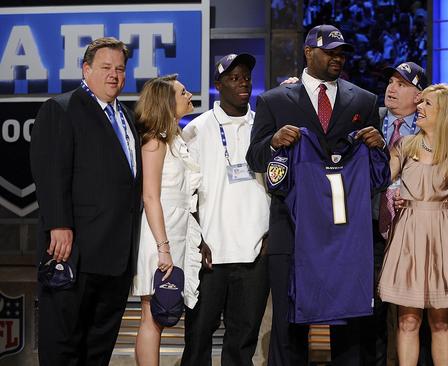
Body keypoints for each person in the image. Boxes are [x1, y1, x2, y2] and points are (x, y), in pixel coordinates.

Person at [246, 24, 385, 366]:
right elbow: (254, 157)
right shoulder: (274, 100)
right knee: (289, 324)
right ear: (309, 52)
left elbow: (376, 171)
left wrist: (379, 145)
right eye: (331, 52)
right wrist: (274, 142)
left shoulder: (364, 101)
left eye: (342, 53)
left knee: (350, 323)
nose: (338, 58)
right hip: (291, 229)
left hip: (344, 231)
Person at [30, 37, 142, 365]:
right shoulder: (62, 109)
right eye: (106, 67)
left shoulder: (127, 117)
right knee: (63, 345)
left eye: (120, 69)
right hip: (74, 252)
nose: (114, 75)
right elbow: (51, 173)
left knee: (98, 349)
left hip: (115, 259)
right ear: (86, 69)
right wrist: (58, 224)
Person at [181, 53, 270, 366]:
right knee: (198, 338)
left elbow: (278, 185)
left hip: (254, 252)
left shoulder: (264, 126)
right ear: (218, 85)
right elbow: (184, 192)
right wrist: (195, 238)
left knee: (242, 342)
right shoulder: (196, 129)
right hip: (210, 254)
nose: (243, 82)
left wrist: (270, 235)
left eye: (246, 76)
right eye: (234, 77)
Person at [378, 84, 448, 366]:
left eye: (427, 104)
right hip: (408, 234)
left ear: (445, 113)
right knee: (408, 320)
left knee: (441, 322)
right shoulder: (406, 145)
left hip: (441, 235)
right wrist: (392, 192)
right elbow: (381, 178)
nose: (419, 108)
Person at [131, 74, 201, 365]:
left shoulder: (175, 140)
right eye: (183, 92)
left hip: (176, 237)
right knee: (153, 315)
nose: (189, 95)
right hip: (159, 240)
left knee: (160, 314)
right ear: (166, 102)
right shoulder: (154, 144)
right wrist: (163, 247)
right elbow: (150, 197)